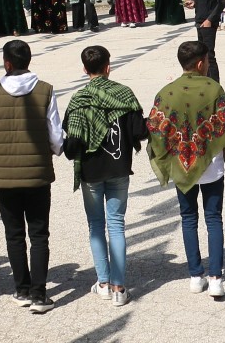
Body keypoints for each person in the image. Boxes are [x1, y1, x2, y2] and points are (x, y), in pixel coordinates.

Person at [147, 40, 225, 300]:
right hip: (211, 166)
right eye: (207, 61)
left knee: (188, 218)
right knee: (213, 219)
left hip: (181, 167)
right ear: (200, 63)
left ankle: (195, 276)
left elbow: (155, 126)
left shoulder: (167, 92)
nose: (208, 65)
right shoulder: (213, 88)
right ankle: (216, 280)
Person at [0, 38, 65, 314]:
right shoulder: (45, 90)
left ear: (6, 63)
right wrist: (56, 149)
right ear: (28, 61)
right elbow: (55, 136)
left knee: (14, 234)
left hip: (4, 176)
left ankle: (22, 289)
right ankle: (40, 295)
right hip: (38, 173)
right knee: (39, 234)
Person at [62, 45, 148, 306]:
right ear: (108, 67)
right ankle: (119, 288)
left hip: (90, 172)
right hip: (119, 168)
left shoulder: (78, 100)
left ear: (84, 69)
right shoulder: (125, 94)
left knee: (96, 226)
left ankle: (102, 282)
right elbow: (140, 133)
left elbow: (71, 147)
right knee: (117, 224)